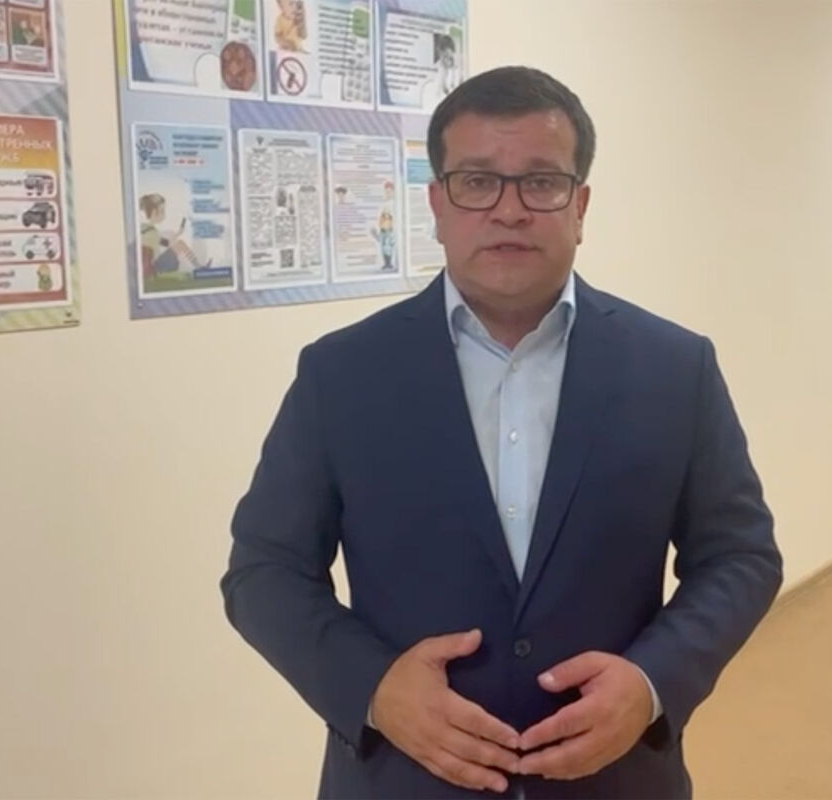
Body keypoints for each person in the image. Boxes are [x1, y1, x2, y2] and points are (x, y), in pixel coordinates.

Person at [222, 66, 782, 799]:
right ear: (436, 204)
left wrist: (652, 683)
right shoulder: (342, 374)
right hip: (404, 779)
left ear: (580, 206)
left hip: (615, 781)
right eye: (477, 181)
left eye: (541, 182)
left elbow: (740, 556)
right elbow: (263, 571)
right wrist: (374, 687)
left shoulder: (676, 368)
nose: (509, 210)